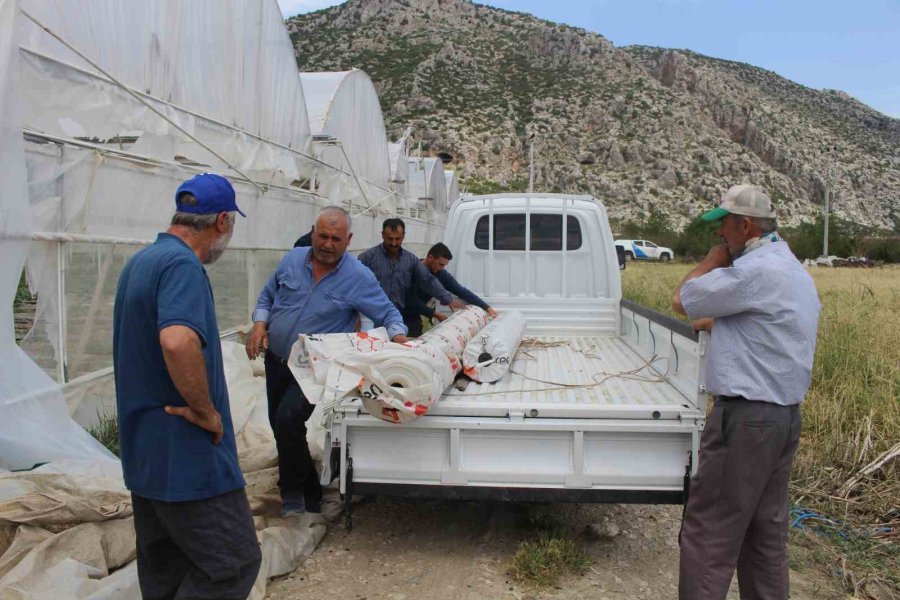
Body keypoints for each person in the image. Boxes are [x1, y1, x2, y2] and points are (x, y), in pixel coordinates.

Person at [113, 173, 261, 599]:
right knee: (232, 565)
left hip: (146, 453)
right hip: (188, 456)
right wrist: (204, 411)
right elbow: (177, 342)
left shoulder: (142, 261)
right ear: (222, 222)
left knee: (167, 573)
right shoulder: (182, 266)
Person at [672, 184, 820, 600]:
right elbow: (771, 332)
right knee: (764, 536)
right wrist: (723, 327)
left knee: (710, 532)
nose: (720, 236)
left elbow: (683, 299)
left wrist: (710, 262)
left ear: (745, 224)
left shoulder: (754, 271)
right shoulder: (792, 269)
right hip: (782, 418)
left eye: (724, 227)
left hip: (747, 420)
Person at [246, 207, 409, 515]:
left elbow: (388, 314)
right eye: (322, 236)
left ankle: (292, 492)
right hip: (277, 359)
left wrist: (399, 337)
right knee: (280, 425)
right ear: (312, 232)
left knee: (288, 419)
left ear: (348, 240)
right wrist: (260, 324)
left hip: (314, 367)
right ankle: (310, 488)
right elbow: (267, 296)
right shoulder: (292, 260)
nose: (328, 244)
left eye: (336, 238)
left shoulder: (358, 278)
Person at [358, 218, 464, 334]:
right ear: (382, 235)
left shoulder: (411, 260)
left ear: (403, 236)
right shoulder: (367, 258)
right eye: (390, 239)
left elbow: (427, 280)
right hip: (372, 318)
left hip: (397, 318)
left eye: (397, 239)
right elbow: (354, 285)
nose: (394, 243)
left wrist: (448, 299)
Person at [403, 242, 497, 336]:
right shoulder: (412, 271)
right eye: (440, 264)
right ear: (430, 258)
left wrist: (487, 308)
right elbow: (411, 301)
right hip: (401, 312)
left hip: (414, 316)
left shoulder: (440, 273)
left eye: (444, 265)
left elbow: (461, 291)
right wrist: (435, 314)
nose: (442, 268)